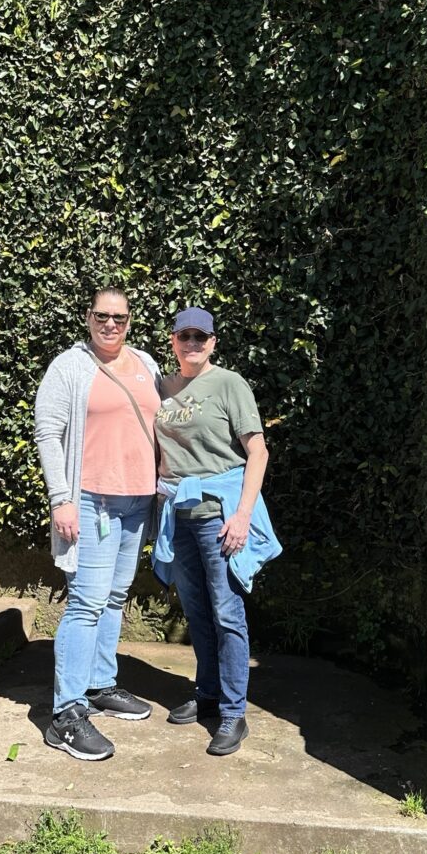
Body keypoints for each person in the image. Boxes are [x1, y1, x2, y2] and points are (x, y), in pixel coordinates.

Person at [34, 287, 161, 761]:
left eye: (120, 317)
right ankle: (65, 715)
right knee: (86, 602)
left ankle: (100, 684)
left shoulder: (146, 363)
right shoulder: (70, 366)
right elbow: (48, 431)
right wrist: (60, 498)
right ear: (88, 317)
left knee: (113, 595)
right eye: (102, 316)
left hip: (136, 502)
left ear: (130, 321)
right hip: (91, 501)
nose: (111, 325)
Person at [153, 306, 282, 756]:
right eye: (184, 336)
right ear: (173, 340)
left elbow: (258, 452)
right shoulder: (162, 388)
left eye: (200, 337)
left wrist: (242, 514)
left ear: (213, 342)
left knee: (227, 613)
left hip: (217, 516)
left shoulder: (230, 384)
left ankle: (233, 712)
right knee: (197, 611)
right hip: (177, 516)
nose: (192, 344)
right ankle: (208, 694)